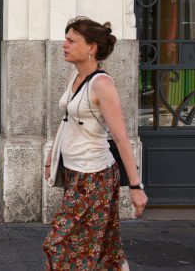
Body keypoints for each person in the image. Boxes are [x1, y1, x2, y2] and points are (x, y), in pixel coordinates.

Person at [42, 17, 148, 270]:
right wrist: (50, 158)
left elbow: (121, 138)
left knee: (58, 242)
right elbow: (66, 118)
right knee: (98, 243)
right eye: (65, 39)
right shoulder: (76, 76)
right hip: (74, 172)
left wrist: (135, 186)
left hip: (95, 176)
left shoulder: (102, 85)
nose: (64, 45)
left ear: (91, 48)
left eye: (71, 40)